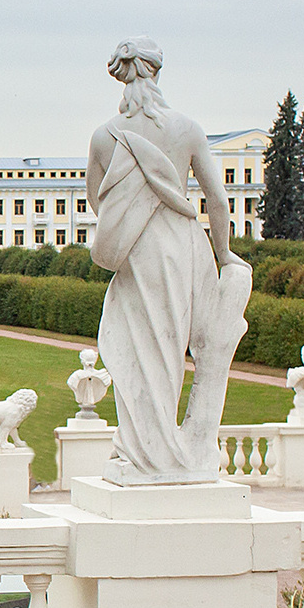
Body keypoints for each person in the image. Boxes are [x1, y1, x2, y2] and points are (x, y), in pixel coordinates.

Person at [85, 38, 252, 483]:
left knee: (136, 348)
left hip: (137, 250)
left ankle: (144, 451)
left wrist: (131, 222)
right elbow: (216, 199)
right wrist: (224, 255)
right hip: (182, 246)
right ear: (156, 73)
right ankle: (158, 454)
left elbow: (97, 205)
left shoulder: (105, 135)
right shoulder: (187, 129)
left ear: (123, 77)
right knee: (168, 345)